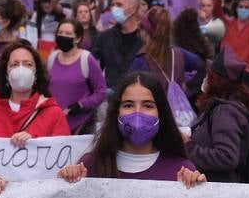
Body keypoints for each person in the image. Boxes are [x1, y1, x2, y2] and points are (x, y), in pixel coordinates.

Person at [57, 71, 205, 185]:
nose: (137, 113)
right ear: (116, 112)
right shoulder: (90, 166)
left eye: (148, 105)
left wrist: (196, 190)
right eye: (128, 105)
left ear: (161, 112)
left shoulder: (181, 171)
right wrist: (67, 182)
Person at [186, 48, 249, 183]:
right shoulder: (228, 106)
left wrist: (189, 148)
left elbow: (227, 157)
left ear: (215, 80)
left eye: (208, 75)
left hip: (219, 190)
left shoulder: (224, 113)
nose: (205, 79)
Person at [0, 39, 70, 144]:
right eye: (14, 64)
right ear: (6, 73)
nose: (21, 69)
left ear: (36, 73)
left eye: (28, 64)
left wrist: (35, 143)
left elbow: (63, 154)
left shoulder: (54, 114)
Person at [47, 19, 107, 134]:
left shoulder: (86, 59)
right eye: (60, 33)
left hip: (82, 125)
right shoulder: (52, 58)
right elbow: (48, 89)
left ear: (78, 38)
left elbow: (101, 92)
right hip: (56, 125)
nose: (62, 36)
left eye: (68, 34)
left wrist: (80, 105)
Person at [93, 0, 147, 91]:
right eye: (112, 4)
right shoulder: (105, 37)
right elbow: (94, 69)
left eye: (119, 5)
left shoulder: (146, 38)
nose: (114, 8)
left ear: (133, 8)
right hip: (111, 99)